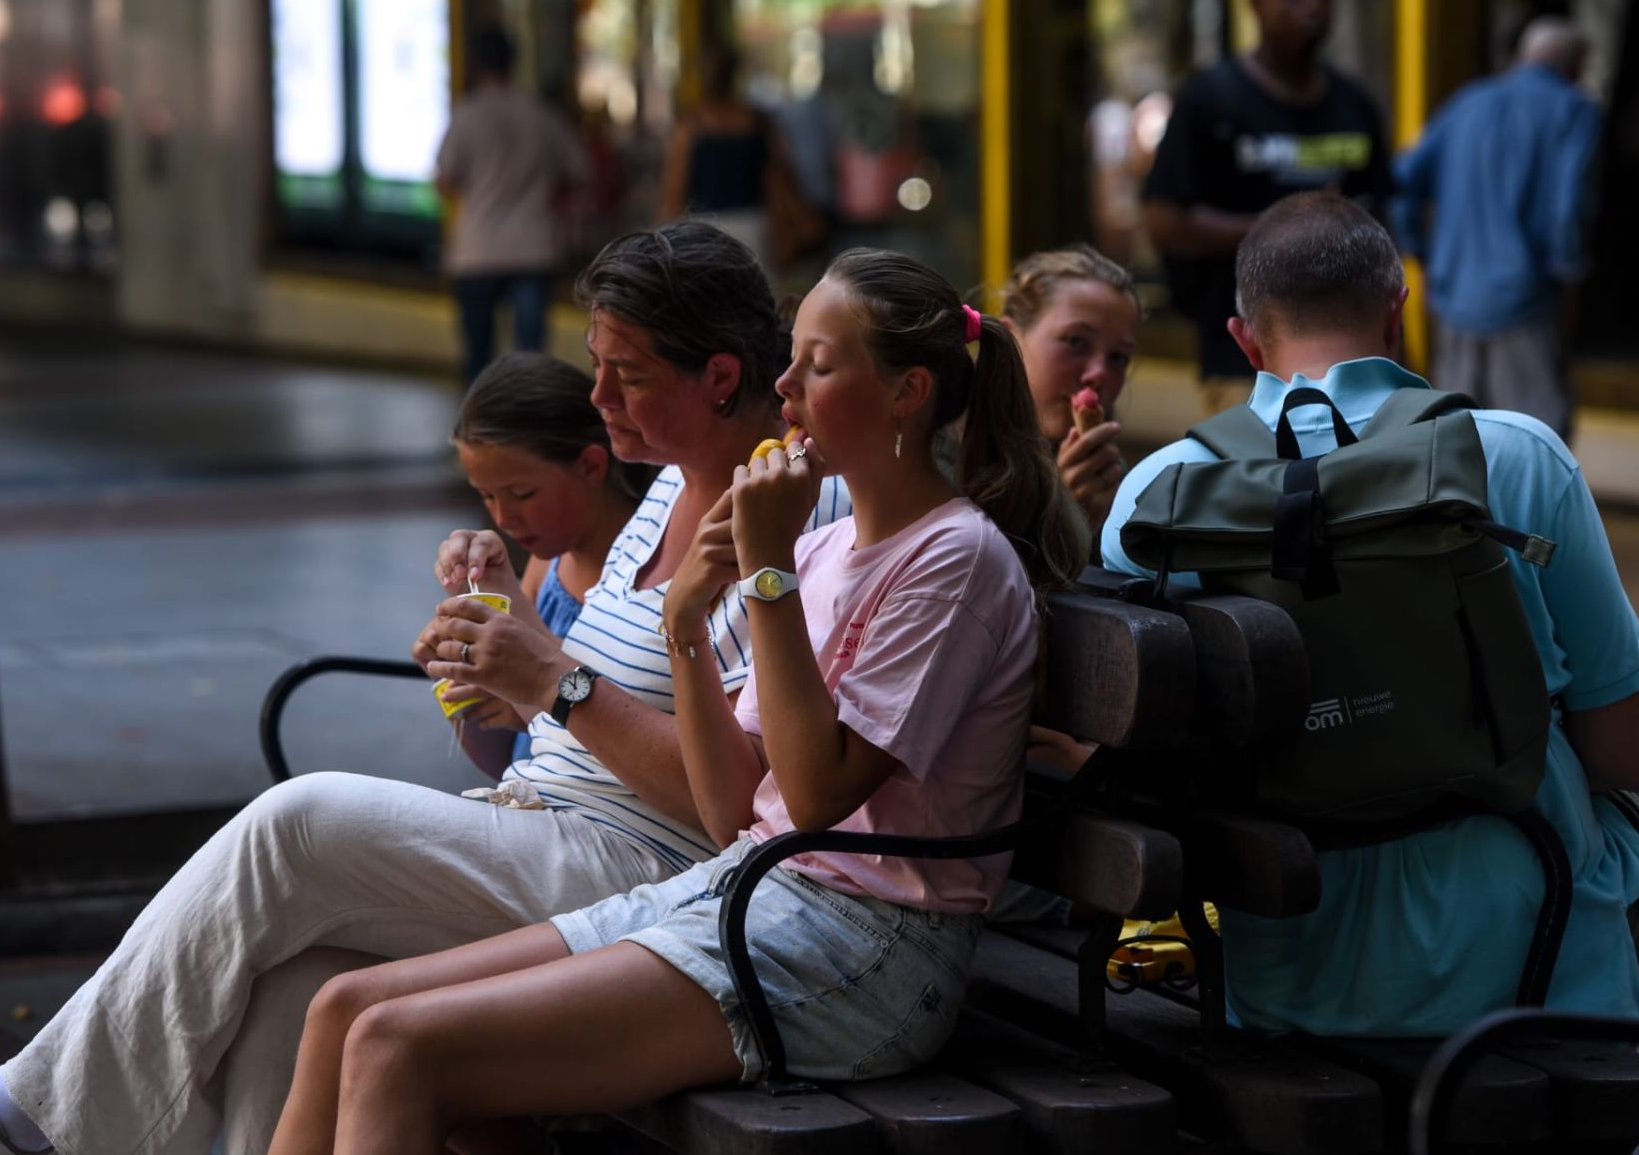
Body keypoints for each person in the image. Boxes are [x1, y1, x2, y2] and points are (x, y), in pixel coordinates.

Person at [0, 223, 851, 1155]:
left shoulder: (800, 513)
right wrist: (510, 640)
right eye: (594, 366)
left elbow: (747, 813)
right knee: (295, 997)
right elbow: (571, 703)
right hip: (539, 824)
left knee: (295, 825)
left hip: (653, 882)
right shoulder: (668, 481)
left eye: (626, 375)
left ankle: (8, 1130)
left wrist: (557, 682)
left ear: (720, 375)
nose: (599, 398)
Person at [262, 248, 1088, 1153]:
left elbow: (813, 801)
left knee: (397, 1044)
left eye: (817, 363)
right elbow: (733, 806)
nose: (784, 383)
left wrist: (764, 574)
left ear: (907, 393)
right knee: (346, 1008)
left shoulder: (954, 560)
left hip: (871, 948)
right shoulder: (826, 550)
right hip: (747, 889)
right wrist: (687, 621)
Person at [1104, 191, 1639, 1037]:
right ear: (1400, 308)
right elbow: (1626, 751)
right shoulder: (1515, 454)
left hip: (1280, 974)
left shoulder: (1159, 493)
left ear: (1244, 340)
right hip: (1527, 963)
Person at [1142, 0, 1393, 416]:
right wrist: (1292, 226)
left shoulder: (1354, 105)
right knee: (1262, 487)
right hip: (1245, 355)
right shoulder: (1209, 99)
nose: (1312, 6)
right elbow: (1163, 220)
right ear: (1255, 3)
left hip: (1354, 359)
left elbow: (1384, 217)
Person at [439, 351, 655, 777]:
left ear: (592, 465)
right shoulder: (546, 564)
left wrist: (531, 706)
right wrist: (462, 688)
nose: (502, 518)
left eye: (522, 494)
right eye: (486, 496)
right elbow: (506, 760)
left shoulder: (651, 575)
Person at [1391, 17, 1599, 442]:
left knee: (1457, 450)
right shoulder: (1574, 109)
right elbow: (1569, 208)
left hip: (1454, 302)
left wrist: (1424, 254)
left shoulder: (1468, 101)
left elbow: (1399, 183)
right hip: (1527, 304)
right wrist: (1569, 276)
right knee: (1534, 451)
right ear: (1574, 65)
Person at [434, 25, 590, 385]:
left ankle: (480, 434)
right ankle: (527, 432)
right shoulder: (540, 114)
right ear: (513, 64)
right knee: (530, 362)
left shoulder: (467, 116)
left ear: (475, 65)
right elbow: (579, 171)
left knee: (477, 360)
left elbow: (444, 180)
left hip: (477, 250)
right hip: (532, 248)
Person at [998, 246, 1141, 530]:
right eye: (1076, 342)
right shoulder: (944, 457)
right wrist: (1058, 519)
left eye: (1118, 358)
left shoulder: (1105, 475)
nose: (1098, 374)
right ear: (1010, 340)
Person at [659, 45, 810, 267]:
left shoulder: (691, 127)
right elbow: (780, 178)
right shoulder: (758, 122)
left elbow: (674, 190)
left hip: (703, 232)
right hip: (756, 227)